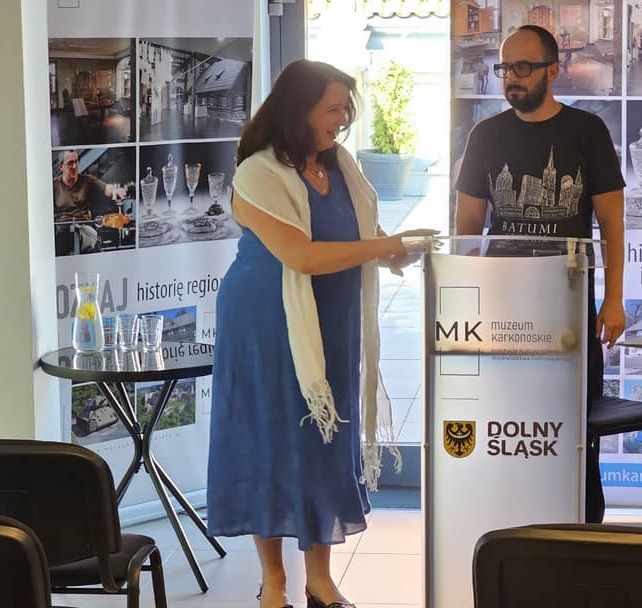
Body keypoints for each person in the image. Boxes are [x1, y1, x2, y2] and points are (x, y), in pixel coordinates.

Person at [206, 59, 435, 608]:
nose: (343, 119)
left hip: (331, 320)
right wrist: (383, 246)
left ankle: (320, 581)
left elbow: (363, 233)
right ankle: (274, 582)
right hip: (266, 323)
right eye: (333, 109)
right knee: (269, 441)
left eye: (345, 109)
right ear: (298, 110)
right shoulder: (258, 172)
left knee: (324, 441)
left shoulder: (341, 164)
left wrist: (396, 252)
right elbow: (302, 256)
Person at [454, 24, 626, 524]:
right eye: (505, 68)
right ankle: (511, 531)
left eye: (523, 68)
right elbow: (467, 229)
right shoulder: (485, 135)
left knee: (575, 433)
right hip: (503, 314)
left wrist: (613, 298)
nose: (511, 77)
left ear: (553, 70)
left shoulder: (587, 132)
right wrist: (466, 302)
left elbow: (612, 224)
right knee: (509, 430)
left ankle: (582, 533)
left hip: (568, 312)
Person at [52, 150, 127, 256]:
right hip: (62, 233)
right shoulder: (54, 185)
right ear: (61, 166)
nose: (74, 166)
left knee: (71, 237)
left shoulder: (87, 180)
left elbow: (106, 188)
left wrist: (115, 190)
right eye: (70, 163)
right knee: (62, 237)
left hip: (85, 231)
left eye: (76, 162)